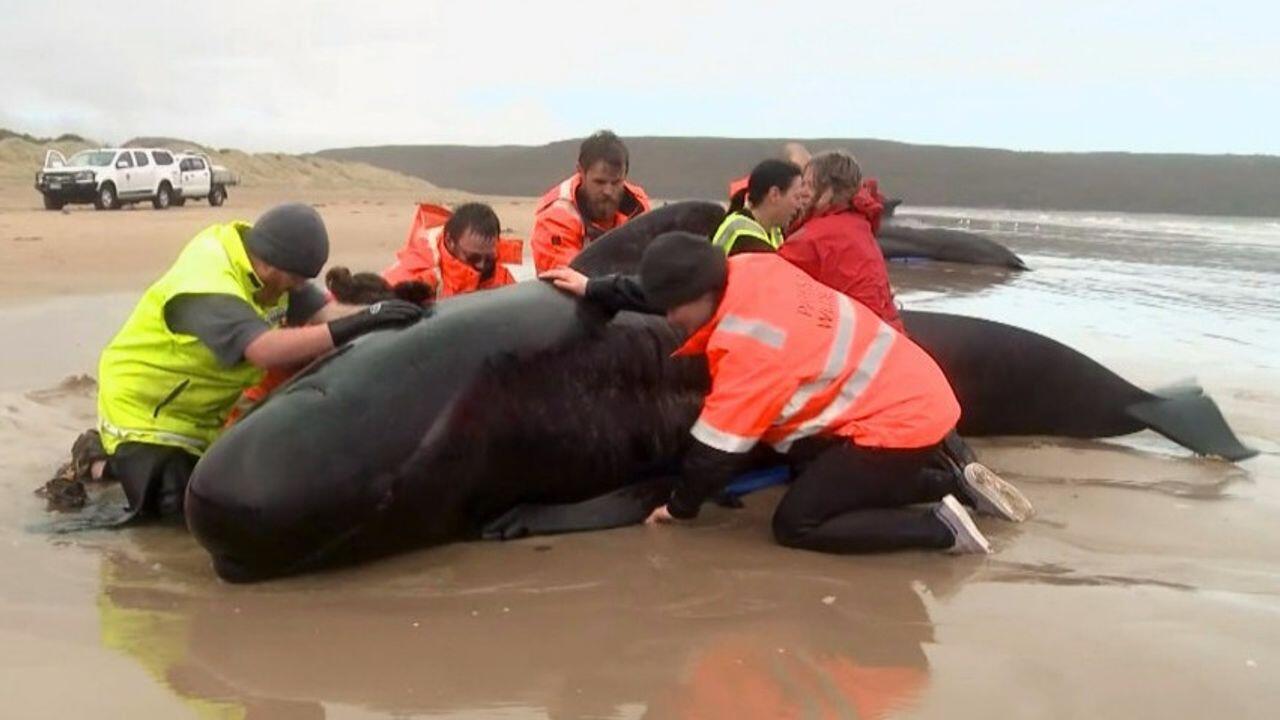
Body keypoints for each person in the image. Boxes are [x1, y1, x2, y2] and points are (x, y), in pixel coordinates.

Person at [541, 232, 1033, 555]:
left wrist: (678, 508)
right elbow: (668, 288)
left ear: (703, 294)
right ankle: (950, 484)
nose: (668, 320)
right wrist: (596, 288)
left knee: (798, 523)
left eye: (674, 310)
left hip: (898, 424)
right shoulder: (749, 269)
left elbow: (715, 452)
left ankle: (940, 532)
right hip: (911, 389)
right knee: (820, 472)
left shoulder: (752, 347)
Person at [58, 203, 423, 520]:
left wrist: (384, 315)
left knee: (220, 488)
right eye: (296, 280)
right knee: (171, 513)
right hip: (144, 410)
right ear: (274, 266)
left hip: (200, 416)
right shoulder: (208, 282)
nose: (298, 288)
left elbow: (325, 313)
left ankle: (113, 458)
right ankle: (97, 459)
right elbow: (262, 348)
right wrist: (356, 323)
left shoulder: (270, 269)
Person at [780, 150, 903, 331]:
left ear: (829, 191)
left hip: (858, 340)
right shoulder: (858, 224)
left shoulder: (814, 237)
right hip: (887, 334)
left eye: (809, 185)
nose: (802, 193)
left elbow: (773, 282)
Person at [531, 130, 651, 273]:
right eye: (599, 182)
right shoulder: (557, 214)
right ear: (580, 171)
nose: (608, 191)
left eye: (616, 182)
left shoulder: (637, 205)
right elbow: (566, 278)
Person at [383, 201, 521, 298]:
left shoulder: (502, 279)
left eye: (489, 258)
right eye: (473, 258)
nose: (481, 265)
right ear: (450, 241)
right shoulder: (412, 278)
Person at [712, 159, 806, 255]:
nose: (799, 206)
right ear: (774, 194)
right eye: (796, 197)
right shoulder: (743, 233)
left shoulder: (774, 230)